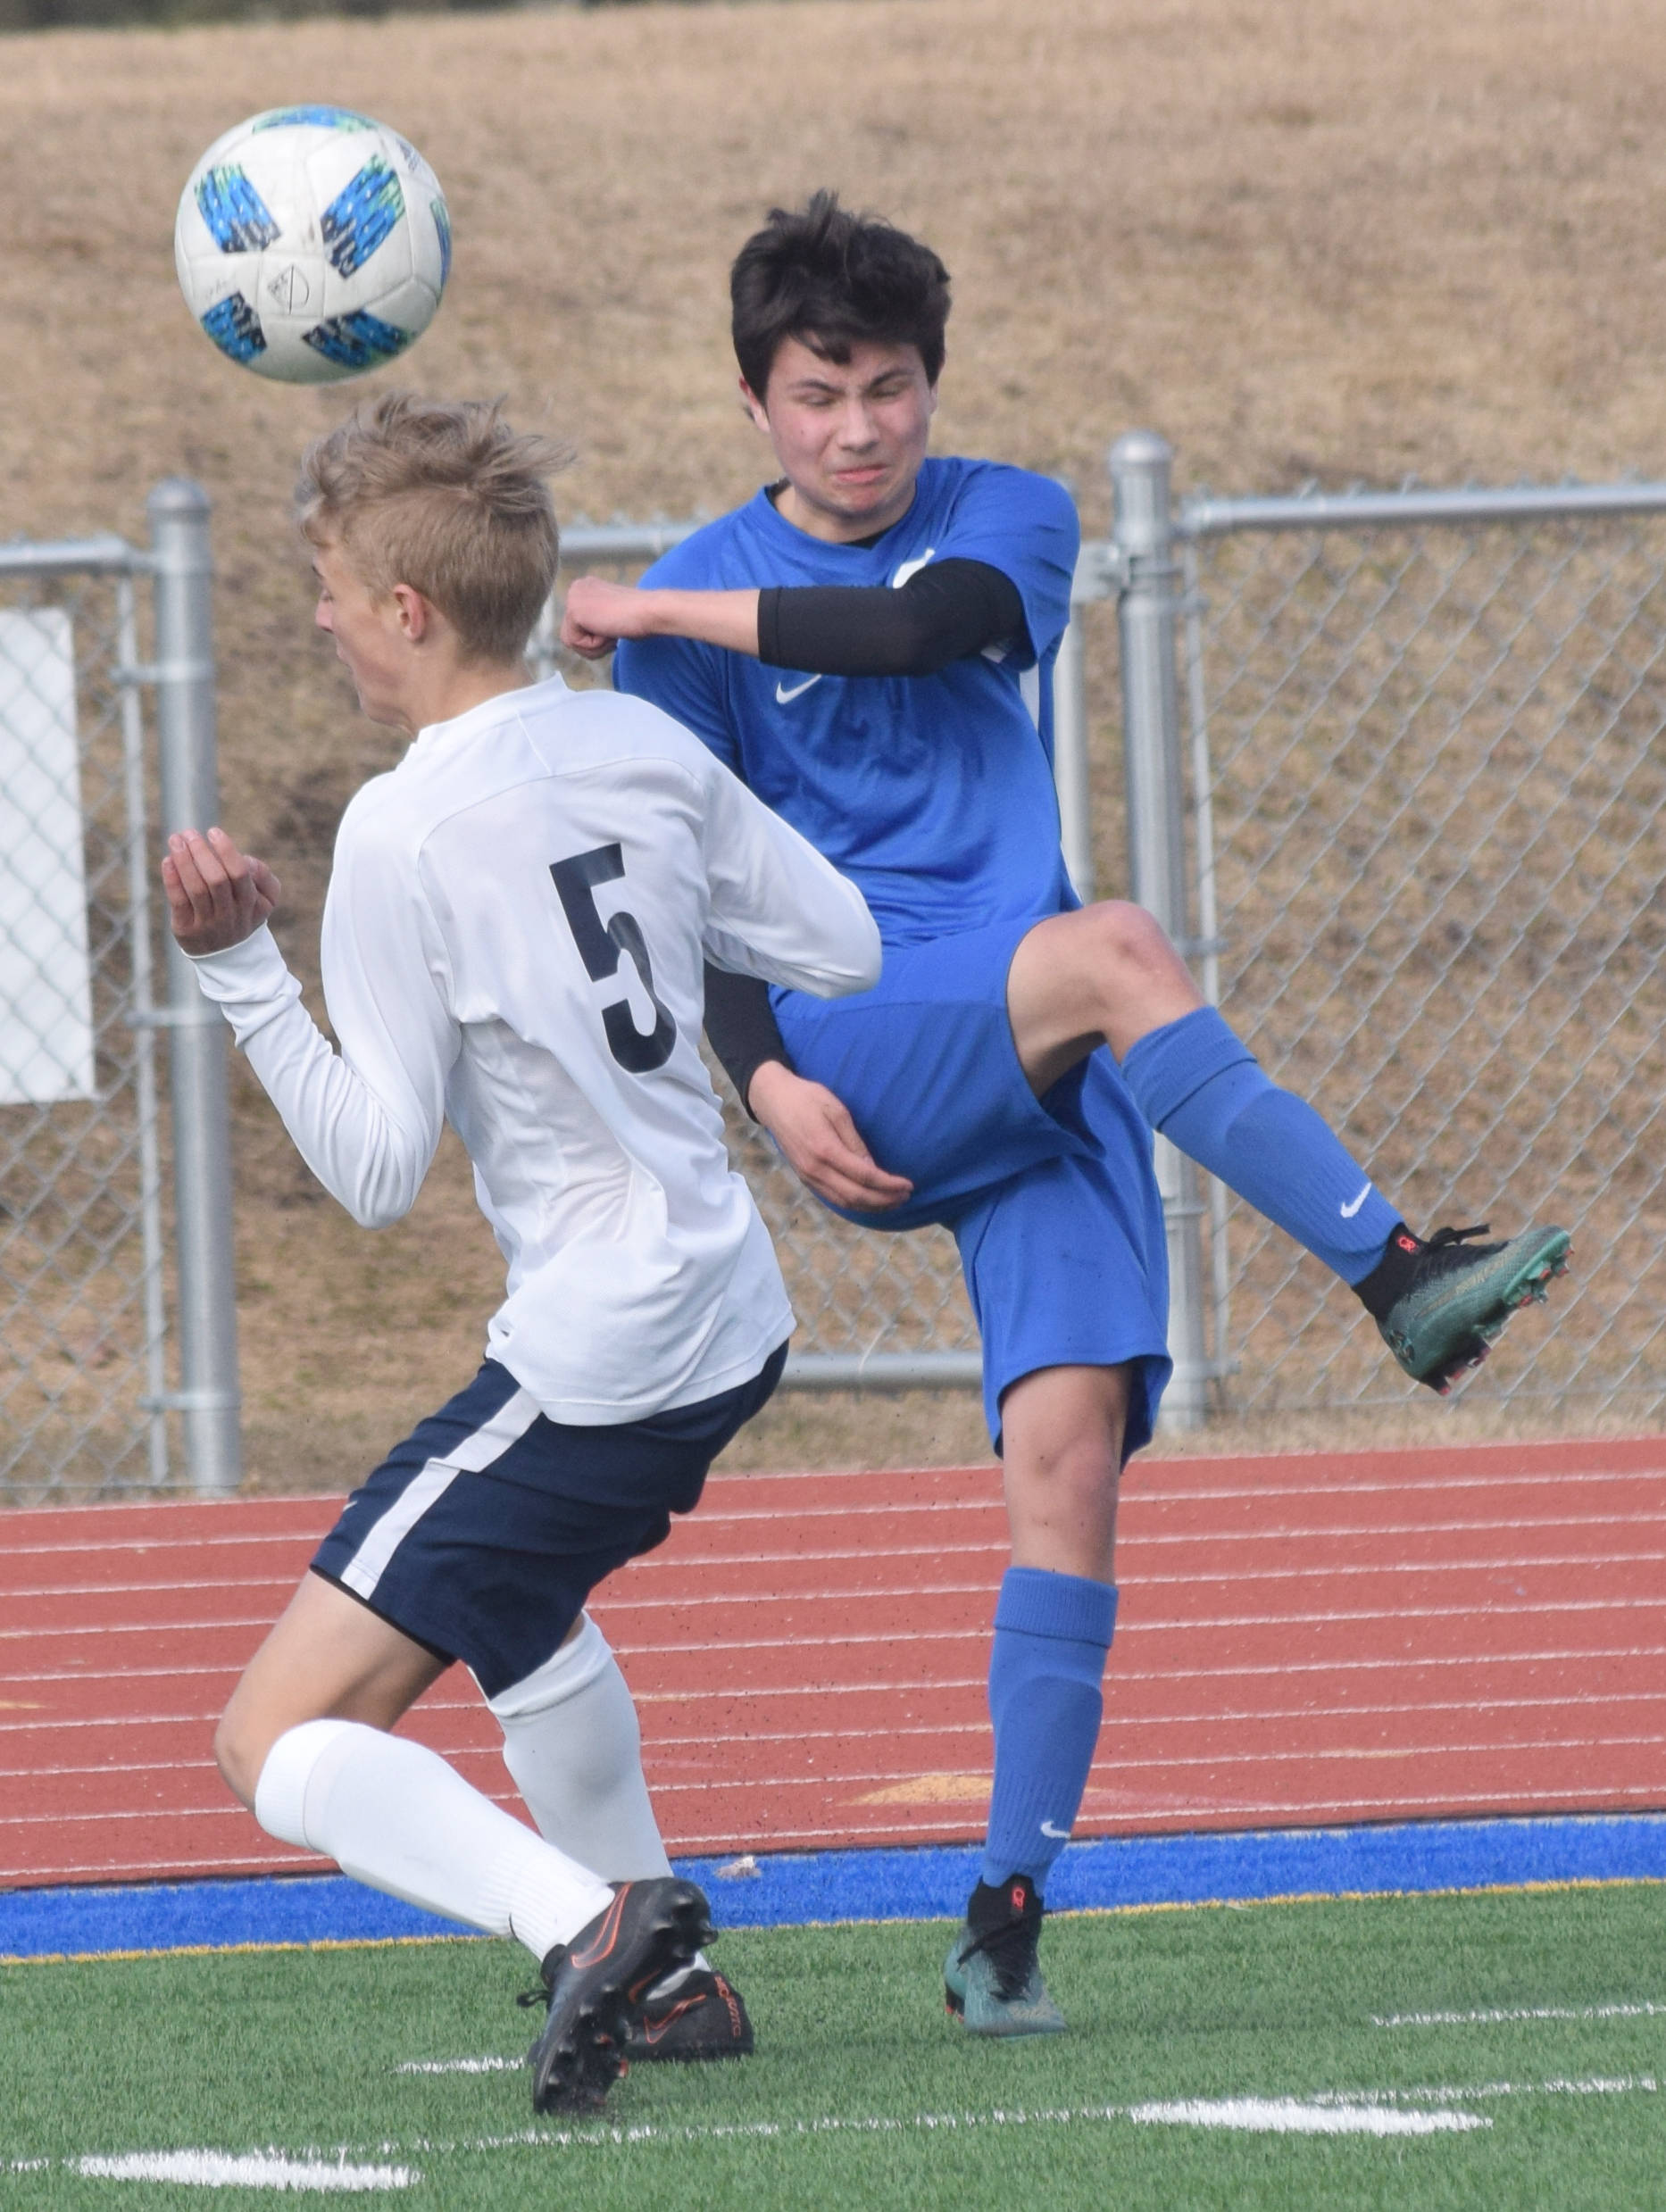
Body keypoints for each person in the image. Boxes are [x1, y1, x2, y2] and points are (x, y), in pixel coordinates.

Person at [560, 192, 1571, 2037]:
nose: (861, 429)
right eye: (818, 395)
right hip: (873, 1042)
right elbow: (687, 887)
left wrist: (641, 597)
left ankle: (1008, 1902)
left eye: (890, 389)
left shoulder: (1005, 516)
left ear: (932, 387)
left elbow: (919, 626)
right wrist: (767, 1079)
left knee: (1072, 1468)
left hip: (1039, 1060)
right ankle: (1398, 1270)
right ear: (752, 402)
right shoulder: (688, 616)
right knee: (1117, 946)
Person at [162, 394, 881, 2113]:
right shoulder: (640, 745)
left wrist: (241, 971)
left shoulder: (404, 832)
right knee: (515, 1603)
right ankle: (681, 1989)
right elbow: (839, 943)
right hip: (728, 1312)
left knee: (267, 1741)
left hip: (601, 1348)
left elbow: (370, 1169)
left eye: (331, 585)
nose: (321, 616)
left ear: (408, 610)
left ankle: (591, 1921)